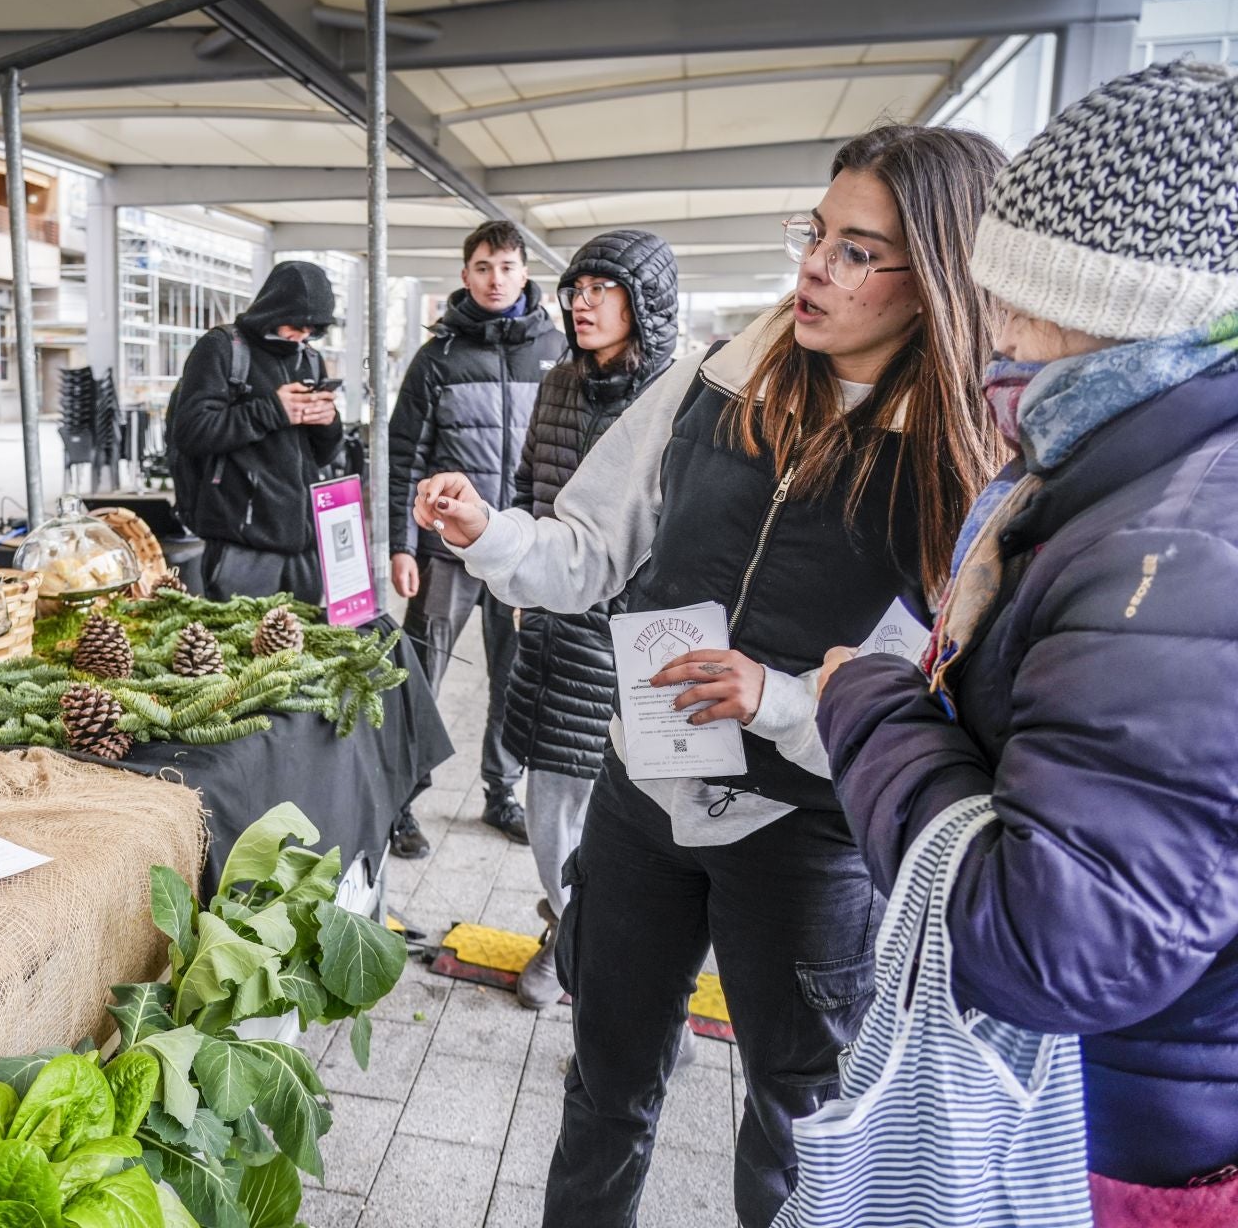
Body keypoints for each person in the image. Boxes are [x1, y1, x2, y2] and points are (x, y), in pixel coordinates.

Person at [413, 123, 1007, 1227]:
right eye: (815, 233)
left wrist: (776, 697)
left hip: (806, 824)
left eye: (857, 251)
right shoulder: (711, 381)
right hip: (643, 788)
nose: (814, 269)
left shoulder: (967, 462)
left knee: (798, 1115)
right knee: (605, 1080)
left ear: (937, 274)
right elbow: (585, 551)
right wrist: (487, 530)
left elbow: (944, 710)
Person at [819, 62, 1238, 1225]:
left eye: (1014, 295)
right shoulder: (1133, 469)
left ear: (1117, 306)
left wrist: (868, 702)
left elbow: (1049, 942)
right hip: (1127, 1099)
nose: (992, 326)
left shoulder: (1183, 544)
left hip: (1108, 1147)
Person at [500, 228, 679, 1010]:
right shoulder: (558, 385)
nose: (583, 303)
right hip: (549, 623)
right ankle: (571, 932)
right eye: (577, 289)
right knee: (549, 803)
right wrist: (515, 571)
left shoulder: (678, 394)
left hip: (631, 634)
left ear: (645, 306)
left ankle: (609, 961)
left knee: (625, 817)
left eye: (602, 290)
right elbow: (527, 479)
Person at [386, 220, 563, 855]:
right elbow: (405, 455)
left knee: (515, 676)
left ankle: (501, 790)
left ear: (524, 273)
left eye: (507, 267)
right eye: (483, 267)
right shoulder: (436, 359)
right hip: (443, 551)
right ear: (466, 275)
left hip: (521, 548)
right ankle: (401, 799)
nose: (495, 279)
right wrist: (402, 543)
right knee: (418, 671)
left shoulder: (556, 353)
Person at [169, 260, 343, 601]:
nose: (304, 335)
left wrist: (327, 421)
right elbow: (190, 432)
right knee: (239, 649)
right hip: (242, 545)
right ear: (275, 310)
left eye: (314, 329)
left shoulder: (308, 358)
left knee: (300, 651)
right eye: (297, 324)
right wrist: (272, 410)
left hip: (304, 545)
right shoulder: (223, 348)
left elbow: (322, 454)